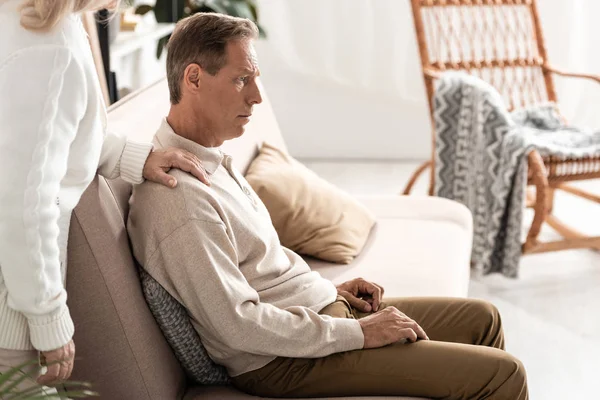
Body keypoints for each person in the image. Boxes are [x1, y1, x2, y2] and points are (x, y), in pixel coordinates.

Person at [127, 13, 529, 399]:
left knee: (483, 319)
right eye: (241, 80)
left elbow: (257, 267)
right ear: (194, 78)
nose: (257, 97)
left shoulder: (208, 160)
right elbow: (237, 325)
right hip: (281, 361)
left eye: (256, 79)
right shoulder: (177, 195)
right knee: (504, 376)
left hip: (315, 316)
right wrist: (361, 333)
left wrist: (326, 289)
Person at [0, 0, 210, 391]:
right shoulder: (47, 48)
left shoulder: (30, 19)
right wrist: (48, 319)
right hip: (11, 311)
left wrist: (137, 156)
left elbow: (51, 141)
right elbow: (23, 205)